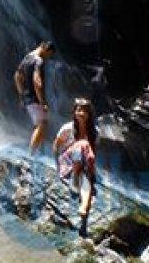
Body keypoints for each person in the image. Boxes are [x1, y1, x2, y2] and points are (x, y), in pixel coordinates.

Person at [53, 97, 98, 237]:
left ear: (89, 114)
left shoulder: (95, 131)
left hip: (82, 165)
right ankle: (75, 180)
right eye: (78, 110)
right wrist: (57, 165)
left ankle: (83, 213)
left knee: (88, 182)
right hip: (66, 162)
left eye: (84, 110)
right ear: (74, 112)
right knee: (82, 145)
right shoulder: (67, 128)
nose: (81, 113)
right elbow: (56, 146)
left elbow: (92, 154)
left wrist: (91, 172)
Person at [14, 40, 57, 154]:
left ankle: (35, 150)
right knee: (42, 125)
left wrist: (21, 95)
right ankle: (31, 153)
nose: (48, 58)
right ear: (45, 48)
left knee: (39, 124)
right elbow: (37, 81)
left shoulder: (27, 57)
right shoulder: (39, 60)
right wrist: (42, 102)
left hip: (27, 97)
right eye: (49, 55)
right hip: (34, 97)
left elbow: (17, 76)